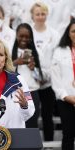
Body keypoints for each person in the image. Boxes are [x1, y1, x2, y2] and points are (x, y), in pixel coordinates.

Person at [30, 2, 60, 141]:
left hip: (49, 82)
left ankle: (49, 142)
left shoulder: (54, 34)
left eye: (43, 14)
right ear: (32, 16)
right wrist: (36, 74)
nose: (40, 17)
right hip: (32, 81)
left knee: (47, 115)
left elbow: (57, 57)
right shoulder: (28, 32)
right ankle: (33, 142)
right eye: (37, 14)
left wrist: (47, 76)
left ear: (47, 15)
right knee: (32, 115)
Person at [12, 23, 43, 128]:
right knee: (15, 123)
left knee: (31, 124)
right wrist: (15, 62)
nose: (24, 39)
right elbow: (2, 72)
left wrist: (33, 68)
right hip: (14, 93)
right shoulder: (9, 51)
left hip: (32, 93)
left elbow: (41, 79)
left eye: (27, 36)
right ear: (16, 35)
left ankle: (31, 145)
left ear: (31, 37)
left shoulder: (36, 52)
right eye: (21, 36)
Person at [51, 19, 75, 150]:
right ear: (68, 33)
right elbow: (56, 79)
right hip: (66, 100)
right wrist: (66, 96)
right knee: (68, 134)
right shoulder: (59, 51)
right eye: (73, 31)